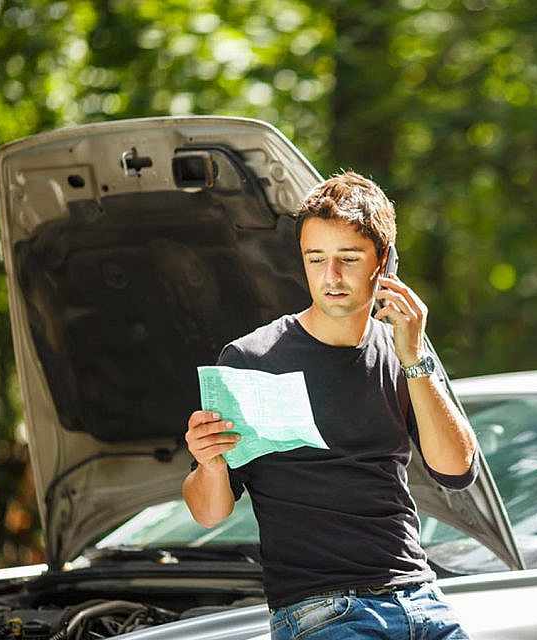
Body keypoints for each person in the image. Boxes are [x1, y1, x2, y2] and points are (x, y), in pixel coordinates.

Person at [181, 171, 478, 639]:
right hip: (322, 612)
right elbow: (210, 513)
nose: (331, 276)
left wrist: (414, 357)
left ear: (384, 263)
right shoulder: (252, 359)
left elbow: (457, 471)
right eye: (316, 259)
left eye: (348, 258)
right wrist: (209, 464)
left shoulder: (405, 349)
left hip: (420, 598)